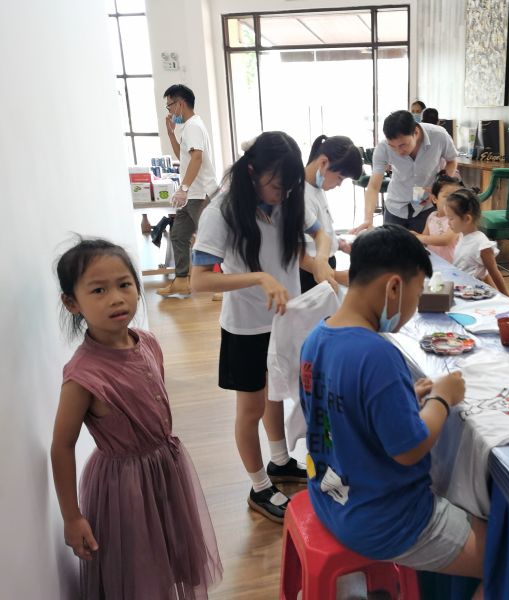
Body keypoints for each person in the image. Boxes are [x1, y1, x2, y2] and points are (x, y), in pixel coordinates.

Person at [300, 225, 486, 593]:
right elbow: (410, 449)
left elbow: (339, 410)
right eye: (417, 294)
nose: (413, 309)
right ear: (395, 287)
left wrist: (401, 398)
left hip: (330, 499)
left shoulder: (317, 337)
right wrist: (442, 398)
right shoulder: (377, 354)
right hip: (385, 520)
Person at [51, 238, 222, 599]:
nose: (116, 298)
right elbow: (62, 446)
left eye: (124, 284)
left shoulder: (147, 341)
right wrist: (71, 516)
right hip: (123, 487)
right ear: (72, 303)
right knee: (139, 565)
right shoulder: (82, 375)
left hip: (166, 468)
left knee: (170, 553)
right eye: (98, 290)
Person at [190, 132, 336, 522]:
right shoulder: (222, 211)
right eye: (275, 185)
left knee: (277, 391)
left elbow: (317, 236)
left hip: (284, 320)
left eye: (288, 187)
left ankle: (280, 461)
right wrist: (257, 277)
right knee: (251, 407)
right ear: (252, 171)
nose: (282, 194)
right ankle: (259, 487)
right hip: (246, 327)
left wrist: (321, 262)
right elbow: (199, 280)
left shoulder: (287, 198)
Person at [353, 110, 457, 234]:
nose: (398, 151)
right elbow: (374, 187)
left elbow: (452, 160)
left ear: (416, 133)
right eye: (393, 146)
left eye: (403, 145)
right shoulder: (383, 147)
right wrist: (368, 219)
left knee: (422, 244)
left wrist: (440, 187)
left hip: (425, 205)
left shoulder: (439, 136)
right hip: (396, 206)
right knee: (392, 245)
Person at [158, 84, 218, 297]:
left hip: (199, 194)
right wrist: (171, 134)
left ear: (180, 104)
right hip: (190, 195)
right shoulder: (188, 127)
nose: (169, 111)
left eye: (169, 106)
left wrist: (183, 188)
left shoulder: (193, 126)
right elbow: (182, 157)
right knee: (178, 236)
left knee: (213, 238)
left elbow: (197, 158)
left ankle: (224, 284)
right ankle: (181, 281)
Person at [300, 134, 363, 292]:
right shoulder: (299, 195)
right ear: (323, 162)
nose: (339, 184)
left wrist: (339, 243)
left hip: (324, 268)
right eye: (340, 178)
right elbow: (298, 255)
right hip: (309, 274)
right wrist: (337, 276)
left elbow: (323, 228)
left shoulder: (317, 187)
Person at [446, 187, 509, 295]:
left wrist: (506, 296)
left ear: (467, 219)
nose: (448, 223)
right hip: (460, 291)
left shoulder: (481, 244)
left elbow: (493, 272)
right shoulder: (461, 236)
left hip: (474, 294)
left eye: (451, 218)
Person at [413, 172, 461, 262]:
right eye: (447, 196)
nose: (453, 200)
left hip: (451, 265)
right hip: (435, 262)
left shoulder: (457, 219)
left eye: (456, 197)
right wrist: (415, 237)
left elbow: (445, 240)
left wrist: (418, 237)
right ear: (435, 199)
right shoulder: (431, 216)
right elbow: (424, 238)